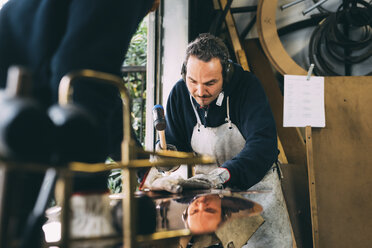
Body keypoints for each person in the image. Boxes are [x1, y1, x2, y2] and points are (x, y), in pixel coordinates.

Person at [0, 0, 158, 243]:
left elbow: (100, 90)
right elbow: (80, 88)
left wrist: (142, 165)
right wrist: (90, 204)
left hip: (23, 97)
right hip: (16, 108)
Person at [161, 33, 293, 247]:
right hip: (209, 198)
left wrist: (223, 175)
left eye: (210, 83)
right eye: (192, 81)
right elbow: (175, 145)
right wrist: (166, 157)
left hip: (255, 189)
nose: (200, 92)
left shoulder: (248, 88)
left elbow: (262, 145)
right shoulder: (180, 94)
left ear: (227, 75)